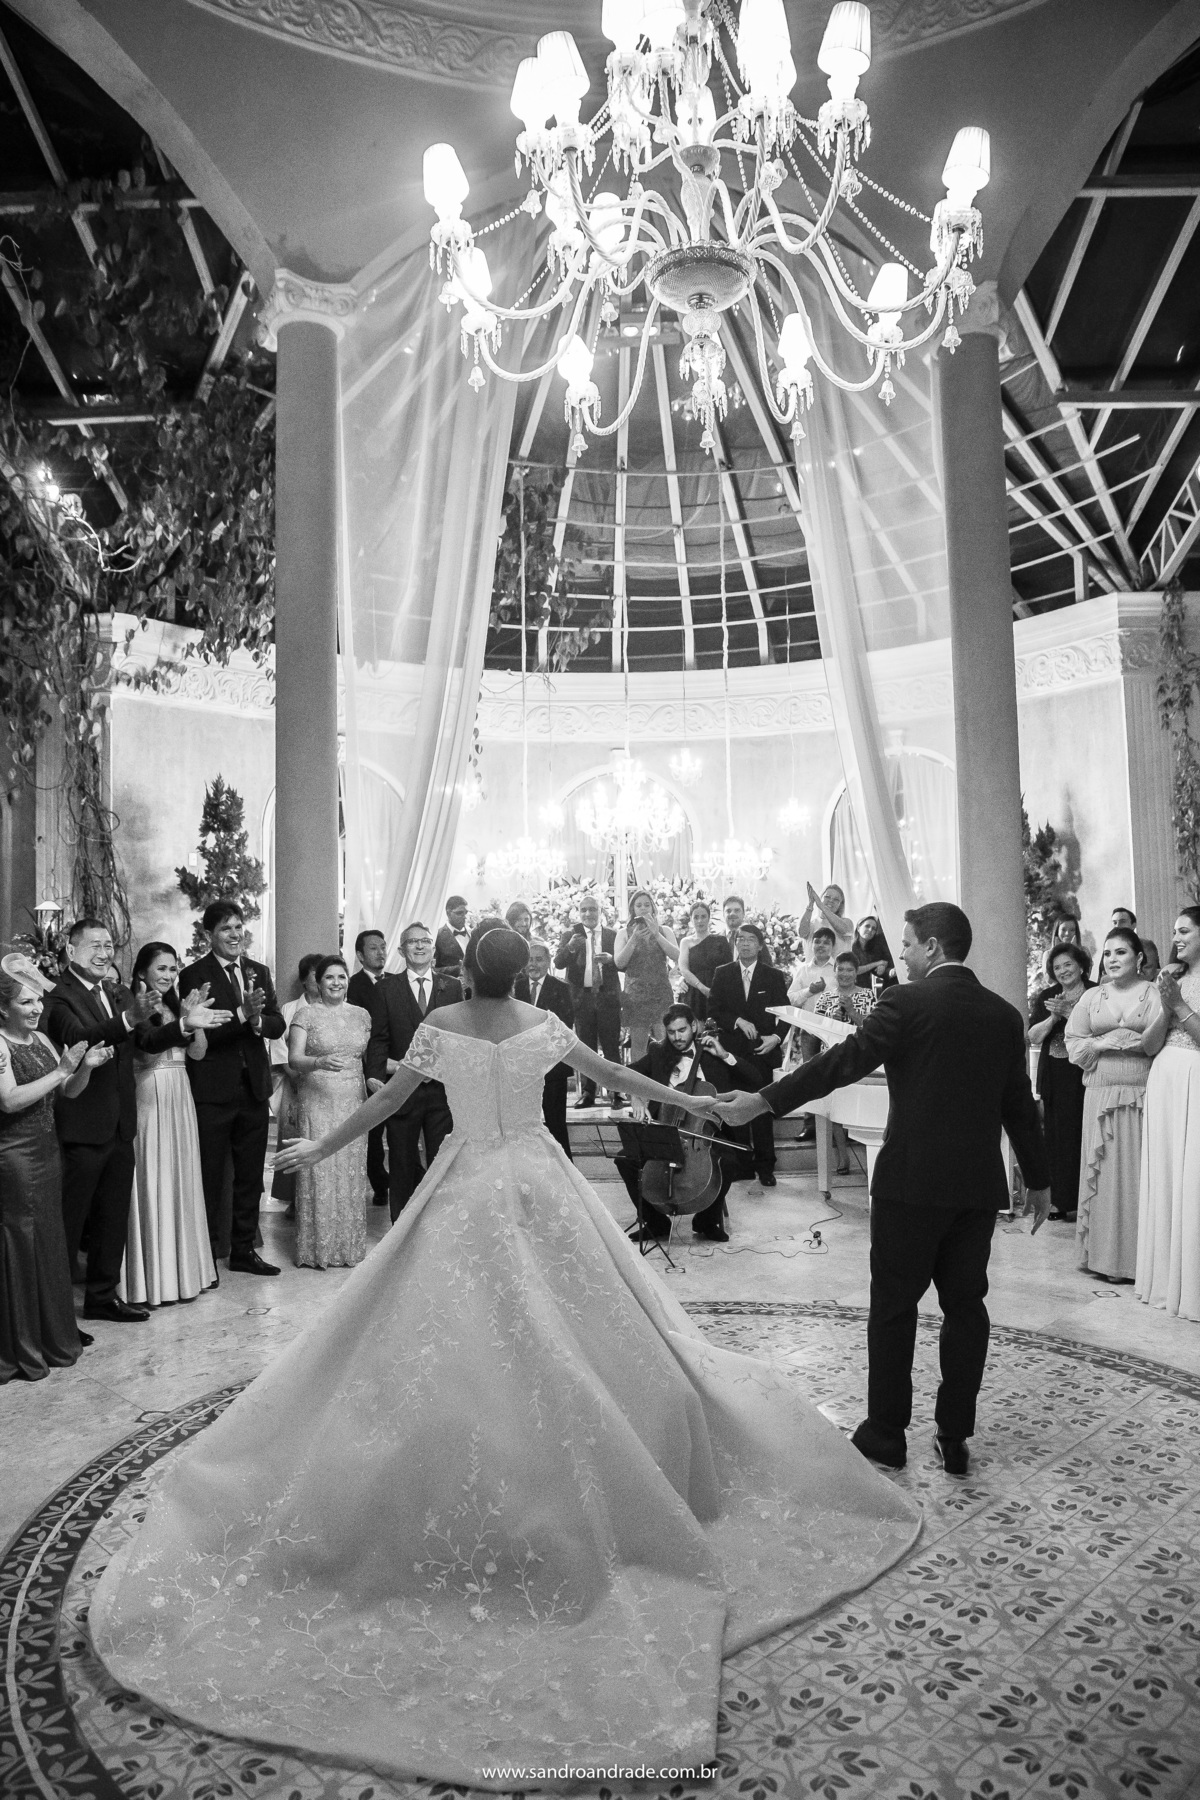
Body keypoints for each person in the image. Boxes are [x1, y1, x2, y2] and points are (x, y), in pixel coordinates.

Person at [92, 921, 920, 1790]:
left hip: (467, 1178)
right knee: (584, 1319)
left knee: (437, 1325)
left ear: (463, 971)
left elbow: (383, 1105)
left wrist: (318, 1146)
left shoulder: (441, 1022)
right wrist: (696, 1104)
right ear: (524, 974)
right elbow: (619, 1078)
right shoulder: (544, 1027)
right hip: (536, 1174)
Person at [711, 902, 1051, 1478]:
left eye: (910, 944)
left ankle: (887, 1434)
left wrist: (764, 1100)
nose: (904, 954)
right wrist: (1038, 1179)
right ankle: (954, 1435)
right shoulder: (1002, 1015)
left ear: (935, 947)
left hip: (910, 1185)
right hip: (974, 1188)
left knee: (894, 1308)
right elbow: (1019, 1101)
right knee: (967, 1307)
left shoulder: (905, 1002)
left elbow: (841, 1063)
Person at [43, 917, 163, 1323]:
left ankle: (102, 1297)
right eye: (94, 944)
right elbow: (82, 1038)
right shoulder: (58, 997)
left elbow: (145, 1040)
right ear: (70, 949)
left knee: (113, 1218)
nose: (104, 952)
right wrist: (128, 1019)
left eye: (109, 944)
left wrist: (182, 1025)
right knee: (70, 1224)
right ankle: (56, 1314)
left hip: (120, 1124)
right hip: (81, 1125)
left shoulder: (115, 991)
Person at [0, 958, 106, 1380]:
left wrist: (83, 1070)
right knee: (20, 1242)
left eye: (37, 1000)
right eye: (25, 1002)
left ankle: (49, 1335)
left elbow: (67, 1093)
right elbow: (7, 1101)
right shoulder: (0, 1044)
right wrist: (63, 1068)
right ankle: (19, 1342)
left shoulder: (43, 1039)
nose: (36, 1008)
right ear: (3, 1008)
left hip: (47, 1153)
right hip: (13, 1157)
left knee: (47, 1239)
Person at [179, 902, 286, 1277]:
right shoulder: (195, 975)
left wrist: (258, 1020)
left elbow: (278, 1025)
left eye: (239, 927)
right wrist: (242, 1015)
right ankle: (206, 1255)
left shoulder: (258, 971)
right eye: (227, 928)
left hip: (253, 1088)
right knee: (210, 1176)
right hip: (214, 1089)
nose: (236, 934)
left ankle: (243, 1250)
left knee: (250, 1176)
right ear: (210, 934)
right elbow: (205, 1029)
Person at [120, 943, 227, 1307]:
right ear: (142, 972)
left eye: (172, 969)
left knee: (180, 1177)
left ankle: (185, 1272)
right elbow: (147, 1048)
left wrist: (189, 1018)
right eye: (161, 969)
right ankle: (151, 1278)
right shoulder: (133, 1006)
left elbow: (197, 1054)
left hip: (180, 1093)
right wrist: (182, 1023)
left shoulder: (174, 1005)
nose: (168, 975)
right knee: (154, 1178)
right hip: (149, 1092)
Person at [615, 1004, 758, 1244]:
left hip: (704, 1133)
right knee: (625, 1160)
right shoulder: (659, 1053)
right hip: (666, 1129)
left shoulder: (714, 1053)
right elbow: (626, 1074)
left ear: (694, 1026)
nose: (677, 1037)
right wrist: (636, 1097)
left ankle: (706, 1221)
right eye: (671, 1032)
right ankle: (655, 1222)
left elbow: (755, 1078)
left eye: (682, 1030)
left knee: (730, 1162)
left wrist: (725, 1056)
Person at [1065, 928, 1160, 1284]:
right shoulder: (1092, 997)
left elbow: (1160, 1043)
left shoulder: (1155, 994)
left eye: (1121, 952)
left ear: (1139, 959)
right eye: (1107, 954)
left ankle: (1138, 1262)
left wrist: (1135, 1044)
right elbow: (1075, 1043)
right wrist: (1104, 1044)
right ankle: (1102, 1257)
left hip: (1141, 1091)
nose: (1113, 959)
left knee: (1137, 1173)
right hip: (1101, 1091)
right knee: (1101, 1172)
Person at [365, 920, 462, 1219]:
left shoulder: (452, 987)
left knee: (441, 1163)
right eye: (413, 942)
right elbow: (379, 1037)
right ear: (401, 949)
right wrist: (375, 1075)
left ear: (433, 948)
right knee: (403, 1164)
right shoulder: (385, 988)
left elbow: (459, 1038)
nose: (420, 946)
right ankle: (401, 1233)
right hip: (401, 1089)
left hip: (441, 1091)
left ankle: (439, 1228)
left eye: (425, 941)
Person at [287, 954, 372, 1268]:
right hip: (318, 1099)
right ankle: (318, 1250)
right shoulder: (306, 1015)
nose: (336, 983)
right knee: (320, 1169)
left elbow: (369, 1059)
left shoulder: (363, 1015)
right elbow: (294, 1059)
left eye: (341, 977)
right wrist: (318, 1062)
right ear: (318, 983)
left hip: (354, 1100)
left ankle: (349, 1247)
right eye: (329, 978)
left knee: (350, 1171)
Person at [1136, 905, 1200, 1320]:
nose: (1176, 938)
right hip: (1165, 1081)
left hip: (1196, 1080)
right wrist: (1165, 1003)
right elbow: (1148, 1045)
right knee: (1166, 1177)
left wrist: (1179, 1005)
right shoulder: (1174, 980)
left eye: (1184, 931)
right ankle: (1165, 1279)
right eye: (1174, 931)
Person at [706, 922, 790, 1188]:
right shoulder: (723, 973)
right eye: (740, 939)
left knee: (762, 1108)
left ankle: (766, 1166)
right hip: (731, 1053)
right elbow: (714, 1008)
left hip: (763, 1053)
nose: (744, 943)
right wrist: (737, 1021)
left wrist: (775, 1039)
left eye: (750, 939)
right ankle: (742, 1164)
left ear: (760, 945)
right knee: (736, 1108)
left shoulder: (773, 976)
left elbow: (786, 1015)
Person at [1028, 941, 1093, 1222]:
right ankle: (1058, 1202)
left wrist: (1071, 1014)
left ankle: (1086, 1200)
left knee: (1083, 1133)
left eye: (1068, 964)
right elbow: (1033, 1036)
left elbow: (1100, 1028)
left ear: (1080, 966)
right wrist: (1054, 1017)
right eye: (1057, 967)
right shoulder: (1048, 995)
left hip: (1085, 1072)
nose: (1063, 970)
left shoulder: (1095, 993)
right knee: (1056, 1137)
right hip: (1055, 1073)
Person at [554, 893, 624, 1109]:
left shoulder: (613, 936)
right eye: (583, 910)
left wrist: (611, 961)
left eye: (592, 909)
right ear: (579, 913)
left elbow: (624, 964)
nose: (588, 914)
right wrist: (571, 947)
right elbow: (558, 963)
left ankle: (617, 1093)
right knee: (586, 1048)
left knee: (611, 1046)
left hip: (607, 997)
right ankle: (588, 1092)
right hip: (581, 999)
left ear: (600, 912)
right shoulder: (570, 936)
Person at [815, 953, 878, 1176]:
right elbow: (817, 1031)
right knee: (833, 1108)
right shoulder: (825, 998)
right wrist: (831, 1020)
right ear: (835, 971)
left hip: (859, 1059)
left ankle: (873, 1155)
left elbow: (873, 1029)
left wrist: (851, 1011)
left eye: (849, 970)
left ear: (856, 972)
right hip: (832, 1058)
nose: (844, 974)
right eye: (840, 969)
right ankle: (842, 1156)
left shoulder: (869, 996)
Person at [269, 953, 321, 1212]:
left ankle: (320, 1195)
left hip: (325, 1084)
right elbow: (279, 1048)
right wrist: (295, 1076)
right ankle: (293, 1198)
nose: (320, 979)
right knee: (292, 1137)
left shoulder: (332, 1006)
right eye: (314, 974)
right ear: (304, 980)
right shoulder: (290, 1009)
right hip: (295, 1083)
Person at [346, 930, 390, 1206]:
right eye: (374, 948)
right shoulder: (353, 986)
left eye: (383, 947)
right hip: (368, 1067)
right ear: (361, 955)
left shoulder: (396, 982)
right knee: (373, 1130)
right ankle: (380, 1184)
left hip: (397, 1065)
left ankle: (406, 1178)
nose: (381, 952)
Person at [614, 889, 678, 1060]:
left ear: (653, 908)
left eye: (646, 905)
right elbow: (619, 963)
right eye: (638, 905)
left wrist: (656, 934)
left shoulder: (665, 930)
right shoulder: (623, 933)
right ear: (632, 909)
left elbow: (677, 956)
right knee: (639, 1043)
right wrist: (633, 939)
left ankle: (665, 1082)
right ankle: (640, 1084)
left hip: (660, 992)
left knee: (665, 1040)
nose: (643, 908)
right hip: (636, 995)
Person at [526, 939, 574, 1158]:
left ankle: (567, 1174)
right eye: (529, 959)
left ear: (548, 962)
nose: (533, 964)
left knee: (556, 1125)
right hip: (521, 1071)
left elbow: (563, 1029)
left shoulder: (562, 989)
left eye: (538, 959)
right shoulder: (513, 987)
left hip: (552, 1069)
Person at [676, 899, 732, 1005]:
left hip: (717, 991)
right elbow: (684, 969)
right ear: (691, 920)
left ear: (708, 918)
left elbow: (729, 968)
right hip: (694, 992)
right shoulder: (685, 942)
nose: (700, 921)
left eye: (703, 916)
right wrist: (702, 987)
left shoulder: (721, 940)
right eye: (696, 917)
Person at [797, 880, 854, 954]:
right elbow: (802, 933)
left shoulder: (846, 922)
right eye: (827, 897)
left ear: (840, 904)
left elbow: (844, 930)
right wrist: (811, 903)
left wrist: (822, 906)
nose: (831, 901)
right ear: (820, 898)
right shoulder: (811, 923)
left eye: (836, 899)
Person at [852, 915, 897, 990]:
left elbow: (877, 970)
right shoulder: (850, 946)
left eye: (873, 929)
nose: (870, 930)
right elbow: (855, 970)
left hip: (865, 988)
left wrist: (883, 967)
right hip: (850, 987)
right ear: (858, 927)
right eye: (867, 926)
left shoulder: (872, 949)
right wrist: (878, 963)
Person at [434, 897, 470, 974]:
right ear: (448, 913)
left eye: (466, 913)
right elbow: (432, 970)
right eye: (459, 913)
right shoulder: (437, 937)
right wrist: (457, 970)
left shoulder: (473, 934)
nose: (465, 917)